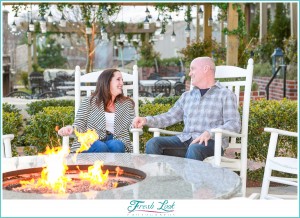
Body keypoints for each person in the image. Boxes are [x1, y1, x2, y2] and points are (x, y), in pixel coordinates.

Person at [132, 57, 241, 161]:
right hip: (185, 140)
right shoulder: (187, 96)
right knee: (154, 143)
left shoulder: (225, 94)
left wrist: (210, 133)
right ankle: (160, 179)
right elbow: (170, 116)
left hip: (211, 143)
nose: (189, 73)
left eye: (192, 69)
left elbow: (234, 124)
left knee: (195, 148)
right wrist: (146, 120)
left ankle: (188, 181)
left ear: (206, 69)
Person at [58, 68, 135, 153]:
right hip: (91, 141)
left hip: (116, 139)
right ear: (107, 82)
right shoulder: (89, 101)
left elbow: (133, 123)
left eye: (122, 80)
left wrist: (137, 123)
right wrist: (71, 129)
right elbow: (79, 124)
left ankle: (112, 166)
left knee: (117, 145)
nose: (122, 83)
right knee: (100, 147)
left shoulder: (126, 103)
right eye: (118, 79)